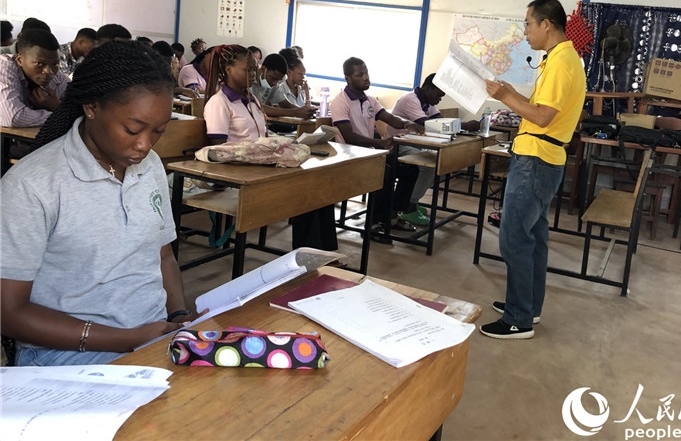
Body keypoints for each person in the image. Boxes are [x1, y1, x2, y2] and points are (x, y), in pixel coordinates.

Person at [0, 40, 196, 366]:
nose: (145, 145)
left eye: (158, 131)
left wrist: (178, 316)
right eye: (132, 129)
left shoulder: (149, 167)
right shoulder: (33, 185)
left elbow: (162, 255)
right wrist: (128, 339)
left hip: (152, 336)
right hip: (67, 352)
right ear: (91, 107)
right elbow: (8, 312)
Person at [479, 0, 586, 340]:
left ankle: (518, 319)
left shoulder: (561, 62)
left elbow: (542, 117)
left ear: (546, 25)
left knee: (514, 238)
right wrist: (512, 93)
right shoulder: (560, 58)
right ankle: (528, 307)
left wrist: (505, 98)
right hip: (542, 158)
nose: (524, 31)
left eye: (528, 24)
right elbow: (541, 109)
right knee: (534, 238)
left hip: (536, 160)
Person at [203, 45, 336, 250]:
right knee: (307, 194)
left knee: (320, 187)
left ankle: (324, 254)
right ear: (228, 69)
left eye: (254, 69)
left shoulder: (251, 100)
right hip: (240, 173)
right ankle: (308, 255)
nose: (253, 74)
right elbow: (219, 150)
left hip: (261, 166)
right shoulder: (218, 103)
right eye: (247, 70)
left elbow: (261, 137)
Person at [330, 57, 424, 237]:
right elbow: (349, 137)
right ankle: (373, 223)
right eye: (359, 75)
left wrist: (407, 124)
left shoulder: (370, 101)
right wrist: (379, 143)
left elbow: (391, 119)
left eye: (366, 73)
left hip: (369, 154)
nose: (365, 77)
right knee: (384, 172)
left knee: (410, 169)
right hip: (349, 157)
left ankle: (392, 215)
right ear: (348, 78)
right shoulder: (340, 102)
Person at [386, 73, 480, 226]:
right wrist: (464, 125)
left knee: (442, 159)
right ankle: (408, 206)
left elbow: (440, 120)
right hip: (398, 144)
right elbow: (428, 124)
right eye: (438, 95)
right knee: (428, 166)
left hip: (415, 142)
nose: (439, 99)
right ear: (428, 88)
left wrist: (462, 126)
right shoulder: (410, 99)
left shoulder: (427, 102)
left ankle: (411, 201)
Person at [0, 28, 70, 127]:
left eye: (55, 64)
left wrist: (57, 106)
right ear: (20, 60)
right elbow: (14, 117)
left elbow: (83, 109)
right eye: (40, 64)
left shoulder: (59, 77)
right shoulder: (4, 67)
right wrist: (61, 113)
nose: (48, 71)